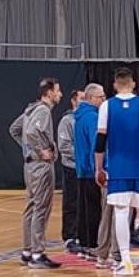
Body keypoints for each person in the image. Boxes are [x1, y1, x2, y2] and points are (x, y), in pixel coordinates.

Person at [95, 68, 139, 277]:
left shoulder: (107, 106)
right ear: (133, 84)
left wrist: (98, 168)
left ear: (115, 85)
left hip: (118, 168)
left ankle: (126, 261)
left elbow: (100, 140)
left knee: (121, 214)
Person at [9, 77, 63, 269]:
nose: (60, 94)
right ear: (49, 93)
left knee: (31, 207)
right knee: (41, 208)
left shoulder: (30, 110)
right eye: (58, 90)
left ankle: (27, 251)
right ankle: (38, 253)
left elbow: (15, 130)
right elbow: (32, 132)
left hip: (30, 166)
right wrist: (40, 151)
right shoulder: (43, 110)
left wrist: (27, 150)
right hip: (41, 166)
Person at [74, 83, 107, 260]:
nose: (104, 99)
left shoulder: (79, 116)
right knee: (94, 209)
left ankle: (84, 244)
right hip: (90, 170)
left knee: (84, 209)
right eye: (101, 97)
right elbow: (96, 144)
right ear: (92, 98)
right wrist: (99, 169)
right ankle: (94, 245)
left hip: (81, 169)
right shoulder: (93, 117)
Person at [57, 89, 84, 254]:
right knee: (71, 202)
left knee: (83, 203)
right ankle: (69, 236)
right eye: (82, 98)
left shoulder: (87, 118)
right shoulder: (67, 121)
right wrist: (82, 154)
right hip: (71, 167)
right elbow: (64, 146)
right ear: (74, 101)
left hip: (85, 168)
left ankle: (81, 234)